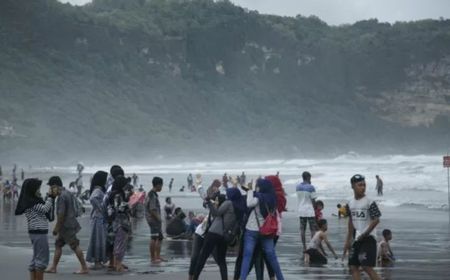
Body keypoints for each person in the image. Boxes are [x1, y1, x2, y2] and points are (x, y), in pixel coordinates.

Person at [192, 187, 245, 280]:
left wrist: (209, 202)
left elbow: (216, 213)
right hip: (224, 235)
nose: (227, 195)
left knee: (203, 257)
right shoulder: (240, 208)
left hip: (213, 233)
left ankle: (195, 278)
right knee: (222, 260)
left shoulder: (228, 203)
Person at [240, 179, 284, 280]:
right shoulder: (273, 199)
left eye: (258, 186)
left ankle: (242, 278)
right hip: (267, 231)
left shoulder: (259, 198)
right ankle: (281, 278)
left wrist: (250, 190)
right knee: (272, 257)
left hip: (252, 230)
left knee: (247, 256)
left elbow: (249, 203)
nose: (257, 187)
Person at [45, 176, 89, 274]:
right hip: (69, 224)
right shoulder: (68, 193)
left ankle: (84, 267)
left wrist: (56, 228)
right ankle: (53, 267)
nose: (50, 190)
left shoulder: (61, 197)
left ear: (56, 186)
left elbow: (61, 215)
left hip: (66, 226)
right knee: (58, 245)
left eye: (52, 187)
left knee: (74, 245)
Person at [343, 174, 382, 280]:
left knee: (366, 266)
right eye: (360, 185)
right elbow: (351, 222)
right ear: (353, 186)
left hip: (369, 238)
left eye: (364, 185)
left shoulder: (369, 201)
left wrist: (365, 233)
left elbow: (376, 219)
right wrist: (348, 241)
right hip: (357, 238)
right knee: (353, 266)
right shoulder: (350, 203)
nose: (363, 187)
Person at [15, 178, 55, 280]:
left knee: (36, 258)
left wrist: (47, 198)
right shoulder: (33, 203)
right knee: (41, 259)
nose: (39, 191)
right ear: (32, 190)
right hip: (39, 232)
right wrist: (50, 197)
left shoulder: (29, 201)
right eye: (38, 189)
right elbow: (45, 209)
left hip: (34, 232)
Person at [107, 176, 133, 272]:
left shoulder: (113, 194)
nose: (126, 185)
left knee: (117, 243)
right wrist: (129, 201)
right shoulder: (118, 195)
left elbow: (111, 209)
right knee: (120, 243)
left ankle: (115, 263)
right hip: (121, 222)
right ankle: (118, 265)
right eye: (125, 183)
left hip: (115, 222)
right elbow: (120, 208)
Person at [86, 171, 108, 270]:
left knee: (99, 239)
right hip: (98, 218)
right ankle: (97, 261)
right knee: (98, 239)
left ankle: (98, 260)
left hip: (98, 217)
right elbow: (92, 199)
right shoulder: (98, 190)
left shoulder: (98, 189)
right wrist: (100, 208)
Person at [296, 171, 318, 253]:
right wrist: (315, 207)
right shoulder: (311, 187)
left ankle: (304, 247)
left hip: (301, 210)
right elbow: (313, 200)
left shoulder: (298, 187)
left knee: (302, 229)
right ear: (308, 177)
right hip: (309, 210)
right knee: (312, 229)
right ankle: (311, 246)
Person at [145, 176, 164, 263]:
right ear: (158, 185)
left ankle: (158, 256)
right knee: (154, 237)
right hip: (153, 219)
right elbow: (152, 209)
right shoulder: (152, 195)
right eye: (161, 185)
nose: (161, 187)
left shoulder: (153, 194)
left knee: (159, 237)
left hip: (154, 219)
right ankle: (153, 258)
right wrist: (159, 218)